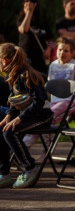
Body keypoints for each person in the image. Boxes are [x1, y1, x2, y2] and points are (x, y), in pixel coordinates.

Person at [0, 44, 54, 189]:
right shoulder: (14, 75)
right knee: (3, 127)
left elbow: (39, 101)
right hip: (29, 115)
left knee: (11, 132)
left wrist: (19, 119)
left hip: (41, 116)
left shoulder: (27, 74)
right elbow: (14, 100)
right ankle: (4, 173)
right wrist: (9, 115)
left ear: (4, 61)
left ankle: (30, 168)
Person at [47, 37, 75, 123]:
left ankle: (29, 137)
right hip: (55, 102)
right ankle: (32, 136)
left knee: (48, 116)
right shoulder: (52, 65)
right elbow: (51, 89)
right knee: (41, 114)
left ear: (72, 53)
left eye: (66, 51)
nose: (62, 53)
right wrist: (52, 102)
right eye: (60, 50)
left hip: (70, 101)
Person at [16, 0, 52, 75]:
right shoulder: (21, 20)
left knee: (40, 77)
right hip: (26, 55)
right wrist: (29, 13)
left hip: (40, 57)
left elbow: (51, 40)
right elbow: (24, 29)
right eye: (26, 4)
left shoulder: (43, 22)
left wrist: (48, 49)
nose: (29, 6)